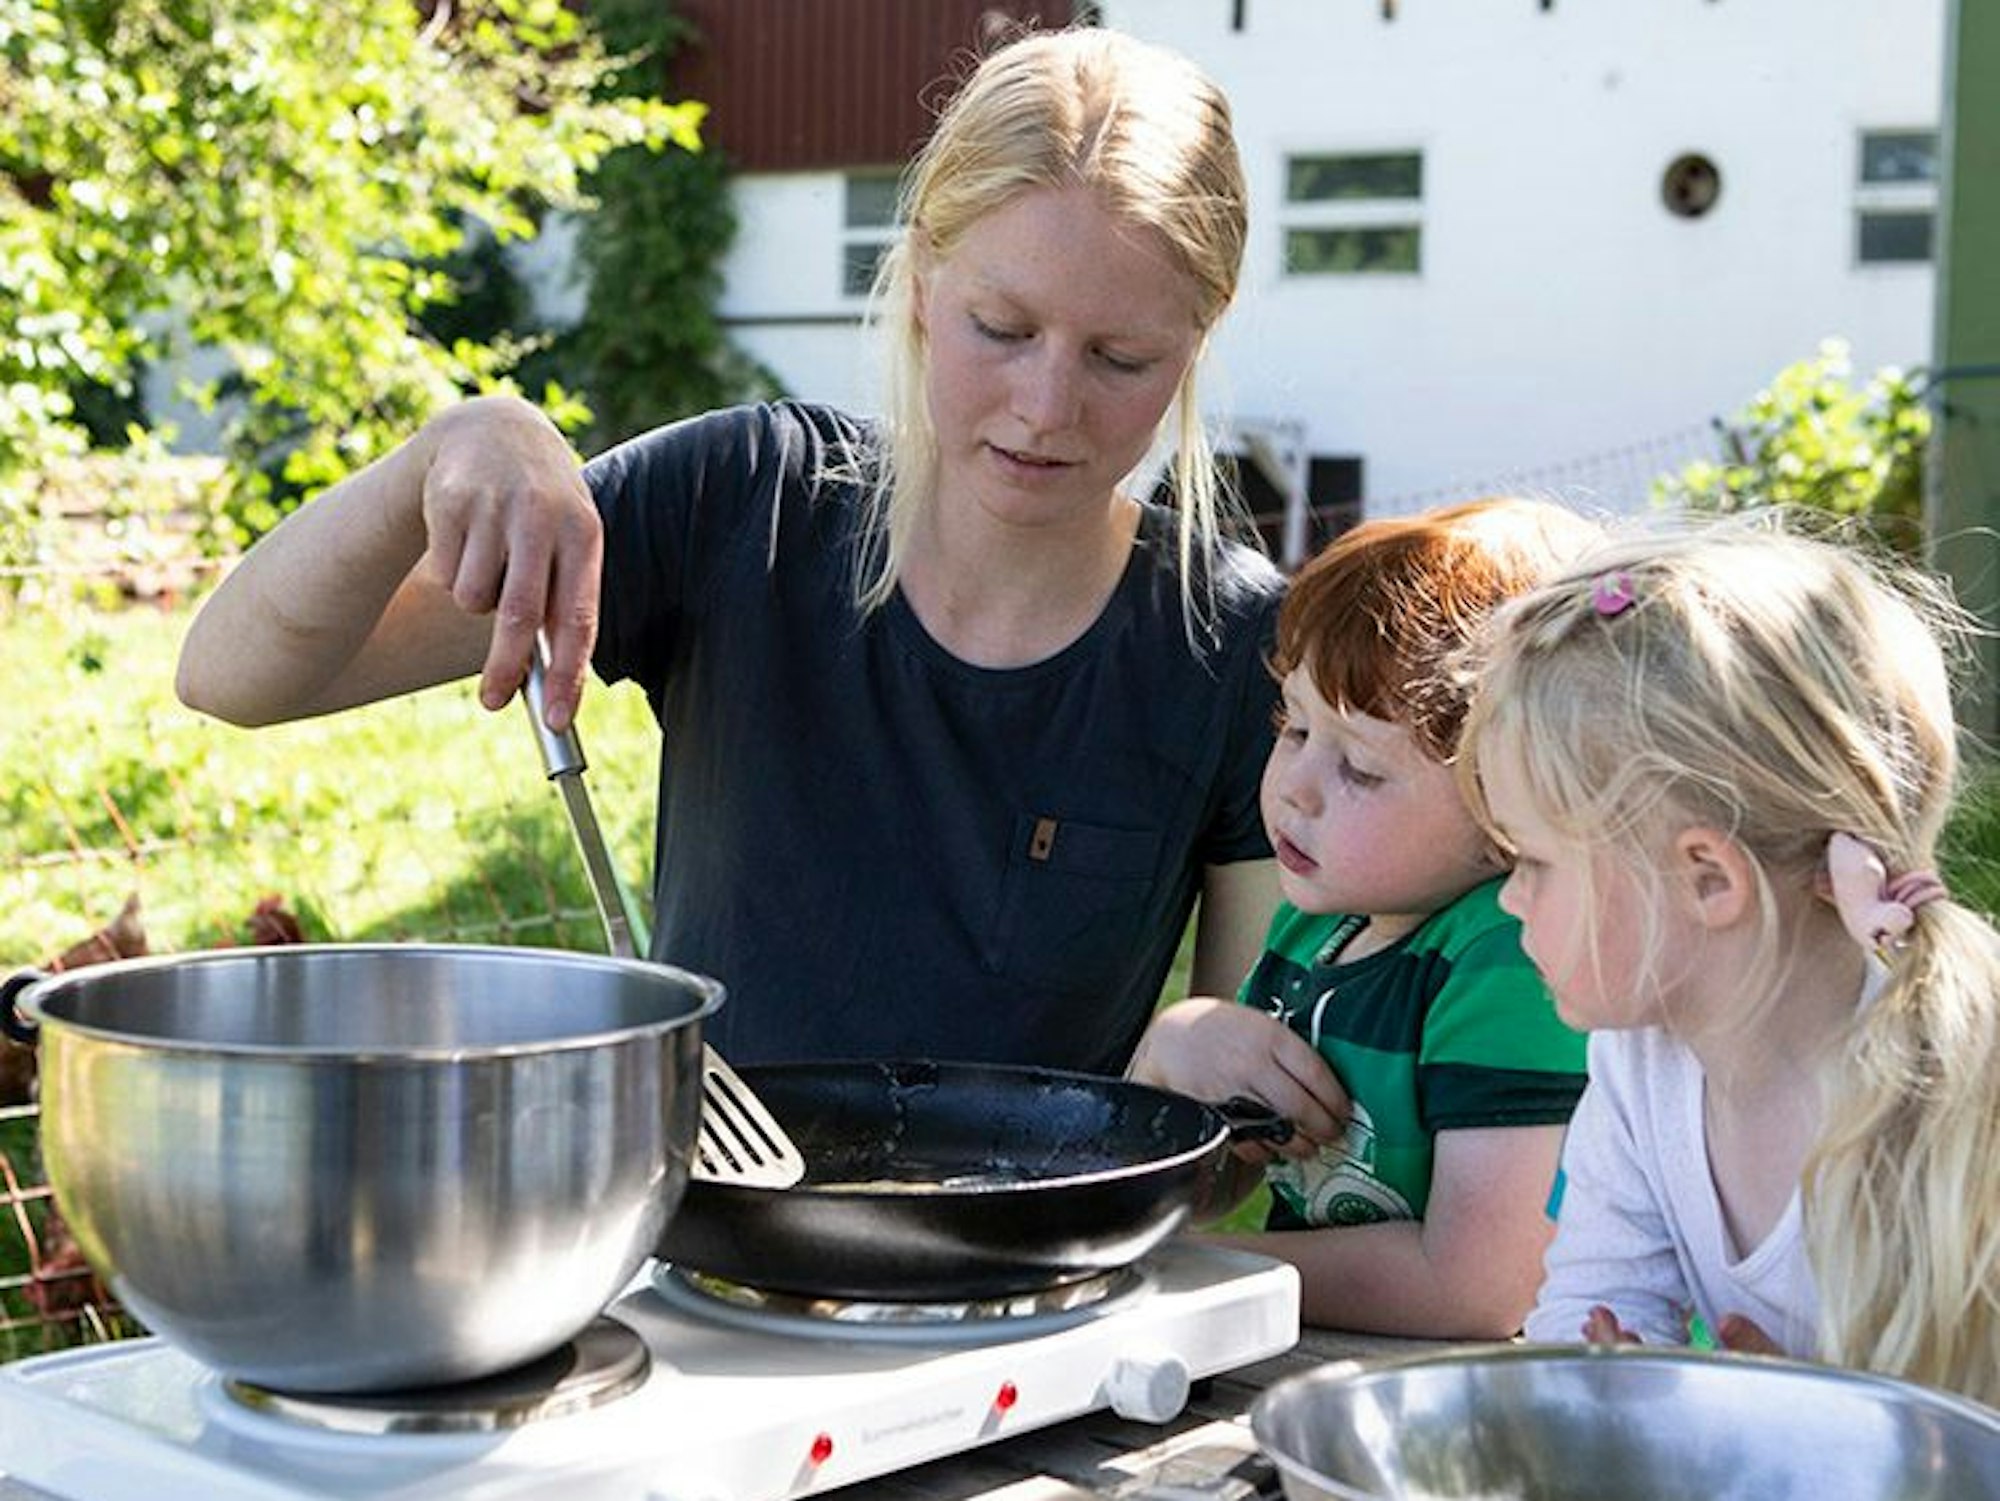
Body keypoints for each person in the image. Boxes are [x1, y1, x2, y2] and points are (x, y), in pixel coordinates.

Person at [173, 27, 1285, 1074]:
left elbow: (1252, 1112)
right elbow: (231, 676)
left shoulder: (1239, 652)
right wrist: (446, 447)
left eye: (1119, 358)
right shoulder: (746, 503)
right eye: (1001, 328)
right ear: (919, 284)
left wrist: (1188, 1069)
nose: (1045, 406)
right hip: (700, 1217)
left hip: (1052, 1224)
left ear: (1199, 337)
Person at [1457, 519, 2000, 1407]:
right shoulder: (1641, 1065)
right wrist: (1611, 1384)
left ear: (1708, 877)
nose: (1510, 898)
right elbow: (1592, 1305)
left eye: (1533, 861)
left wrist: (1807, 1423)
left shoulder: (1937, 1089)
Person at [1126, 497, 1597, 1337]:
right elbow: (1222, 1182)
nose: (1296, 787)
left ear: (1515, 799)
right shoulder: (1321, 925)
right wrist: (1173, 1060)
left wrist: (1199, 1273)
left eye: (1361, 768)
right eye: (1293, 726)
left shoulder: (1511, 958)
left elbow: (1479, 1287)